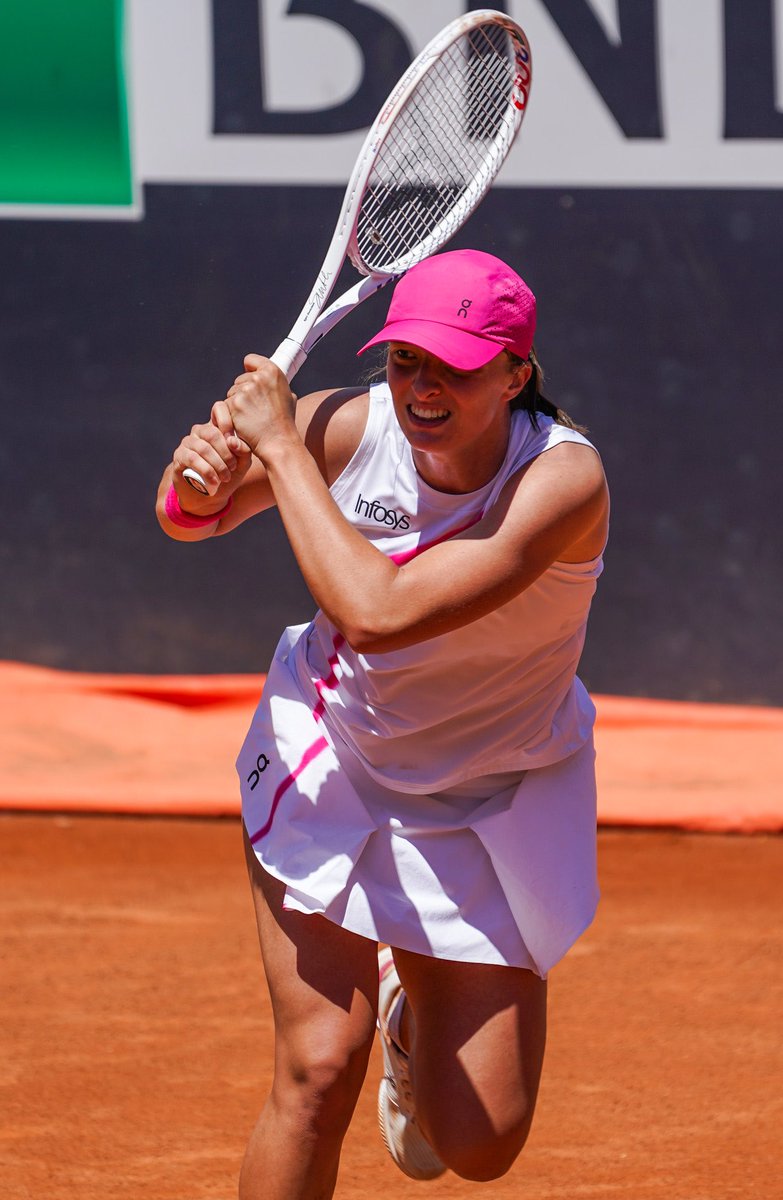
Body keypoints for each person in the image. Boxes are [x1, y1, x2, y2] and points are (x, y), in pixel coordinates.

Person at [155, 249, 609, 1200]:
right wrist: (200, 480)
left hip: (494, 794)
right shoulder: (346, 426)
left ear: (516, 374)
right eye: (405, 361)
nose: (423, 387)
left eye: (456, 365)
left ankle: (416, 1015)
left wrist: (278, 449)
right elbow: (186, 520)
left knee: (481, 1146)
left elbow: (383, 612)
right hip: (337, 754)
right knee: (318, 1067)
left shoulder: (564, 484)